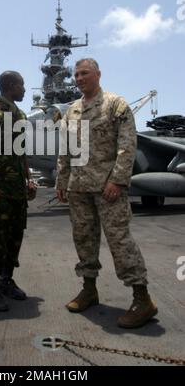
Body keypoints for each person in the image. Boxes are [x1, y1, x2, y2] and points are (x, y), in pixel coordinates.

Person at [56, 58, 158, 328]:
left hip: (107, 188)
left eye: (84, 73)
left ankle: (142, 298)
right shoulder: (72, 111)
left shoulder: (116, 105)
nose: (79, 78)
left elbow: (127, 147)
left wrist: (118, 181)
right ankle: (89, 290)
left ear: (98, 74)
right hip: (78, 188)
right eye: (76, 74)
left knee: (120, 242)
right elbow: (65, 148)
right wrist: (61, 179)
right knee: (84, 240)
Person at [0, 71, 36, 311]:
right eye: (22, 85)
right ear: (11, 86)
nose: (24, 89)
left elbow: (20, 151)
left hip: (16, 191)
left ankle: (7, 280)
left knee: (14, 236)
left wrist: (29, 179)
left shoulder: (20, 114)